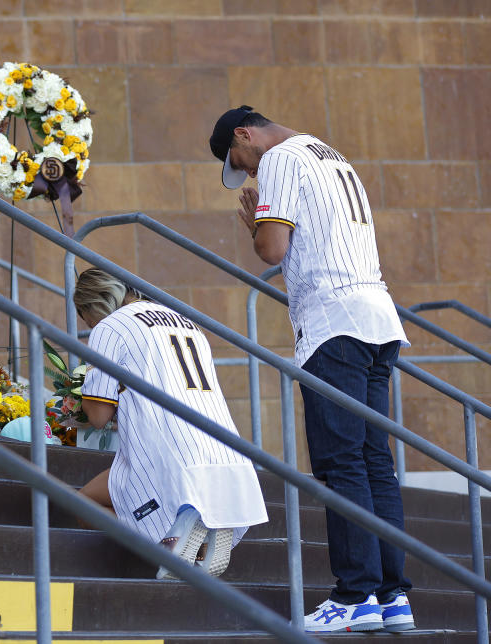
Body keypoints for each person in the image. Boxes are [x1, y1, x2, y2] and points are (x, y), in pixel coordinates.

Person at [209, 106, 414, 633]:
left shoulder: (278, 158)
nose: (249, 173)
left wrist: (257, 225)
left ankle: (354, 596)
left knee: (341, 463)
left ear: (244, 133)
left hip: (332, 323)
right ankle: (392, 596)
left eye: (240, 161)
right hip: (378, 317)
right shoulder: (331, 155)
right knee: (374, 462)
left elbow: (272, 247)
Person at [73, 268, 268, 580]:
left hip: (167, 452)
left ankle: (173, 535)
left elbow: (97, 416)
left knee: (79, 503)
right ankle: (198, 536)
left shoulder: (111, 328)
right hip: (224, 449)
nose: (90, 327)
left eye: (87, 321)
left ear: (93, 307)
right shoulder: (185, 321)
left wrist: (83, 396)